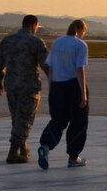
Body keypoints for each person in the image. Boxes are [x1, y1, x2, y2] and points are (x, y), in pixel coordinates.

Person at [0, 14, 48, 164]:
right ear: (34, 25)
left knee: (17, 119)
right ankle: (13, 152)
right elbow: (47, 65)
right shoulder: (36, 42)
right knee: (25, 120)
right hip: (29, 87)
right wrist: (54, 82)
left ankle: (23, 147)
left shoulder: (7, 41)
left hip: (11, 86)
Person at [38, 19, 90, 169]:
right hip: (73, 86)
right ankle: (73, 157)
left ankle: (46, 146)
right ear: (80, 30)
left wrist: (51, 88)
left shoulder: (57, 43)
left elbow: (51, 68)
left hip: (57, 86)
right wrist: (83, 94)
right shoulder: (80, 45)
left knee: (58, 121)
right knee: (78, 123)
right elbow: (79, 69)